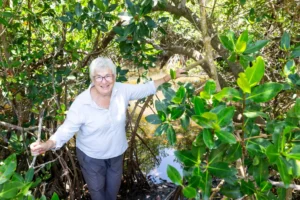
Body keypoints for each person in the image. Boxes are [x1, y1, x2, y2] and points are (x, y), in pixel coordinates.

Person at [30, 57, 186, 200]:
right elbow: (65, 130)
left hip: (116, 155)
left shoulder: (121, 90)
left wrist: (170, 76)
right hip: (91, 158)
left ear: (114, 76)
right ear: (92, 79)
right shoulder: (82, 103)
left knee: (112, 193)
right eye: (99, 77)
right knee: (98, 194)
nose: (104, 81)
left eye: (108, 76)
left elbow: (146, 88)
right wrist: (46, 145)